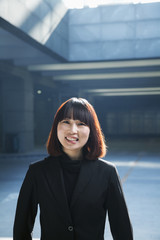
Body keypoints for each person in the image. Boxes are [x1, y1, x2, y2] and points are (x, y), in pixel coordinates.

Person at [13, 97, 133, 240]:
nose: (72, 130)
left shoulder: (107, 172)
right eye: (66, 122)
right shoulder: (37, 172)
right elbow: (21, 227)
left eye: (81, 123)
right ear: (56, 126)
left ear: (91, 130)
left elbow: (121, 227)